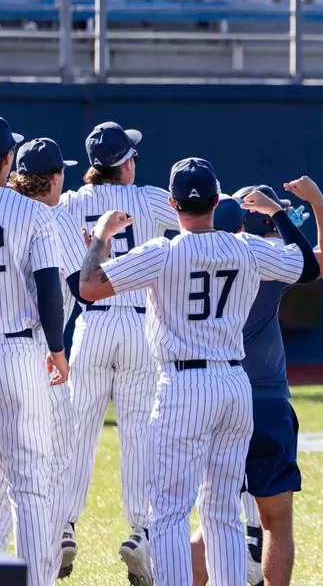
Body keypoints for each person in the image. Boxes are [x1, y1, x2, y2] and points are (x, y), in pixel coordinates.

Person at [78, 158, 320, 586]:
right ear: (216, 200)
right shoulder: (246, 248)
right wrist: (279, 214)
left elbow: (89, 287)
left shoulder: (162, 251)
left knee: (169, 512)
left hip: (183, 384)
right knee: (223, 510)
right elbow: (309, 264)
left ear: (173, 204)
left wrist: (100, 236)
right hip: (234, 382)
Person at [188, 181, 323, 586]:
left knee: (212, 519)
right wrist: (319, 205)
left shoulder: (185, 256)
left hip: (207, 396)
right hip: (262, 398)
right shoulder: (265, 260)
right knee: (276, 521)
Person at [59, 120, 180, 581]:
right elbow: (198, 213)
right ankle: (140, 532)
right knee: (138, 433)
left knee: (77, 429)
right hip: (138, 325)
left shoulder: (73, 201)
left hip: (91, 323)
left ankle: (63, 527)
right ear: (125, 164)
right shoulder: (148, 198)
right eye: (132, 156)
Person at [1, 138, 84, 579]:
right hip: (21, 350)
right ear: (6, 159)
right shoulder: (36, 214)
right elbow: (52, 288)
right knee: (31, 483)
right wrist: (57, 349)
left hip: (21, 348)